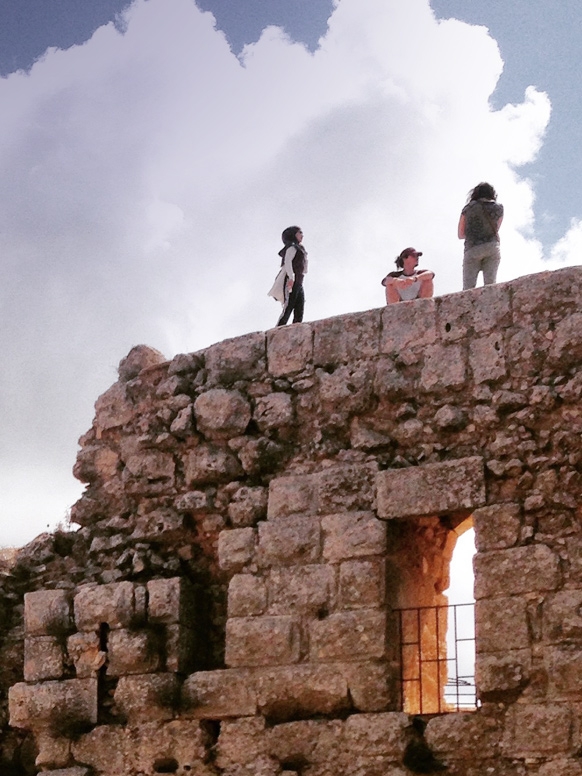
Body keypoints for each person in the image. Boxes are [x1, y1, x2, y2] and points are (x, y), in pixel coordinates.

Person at [458, 182, 504, 289]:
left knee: (468, 289)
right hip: (492, 247)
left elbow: (460, 234)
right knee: (491, 286)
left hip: (472, 248)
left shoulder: (468, 208)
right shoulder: (499, 208)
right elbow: (496, 229)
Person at [268, 225, 308, 326]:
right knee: (289, 306)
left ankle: (296, 326)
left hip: (299, 281)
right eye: (300, 233)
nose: (302, 235)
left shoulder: (301, 249)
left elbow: (304, 266)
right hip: (291, 280)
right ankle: (279, 328)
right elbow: (288, 262)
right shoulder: (292, 248)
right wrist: (291, 277)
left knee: (300, 306)